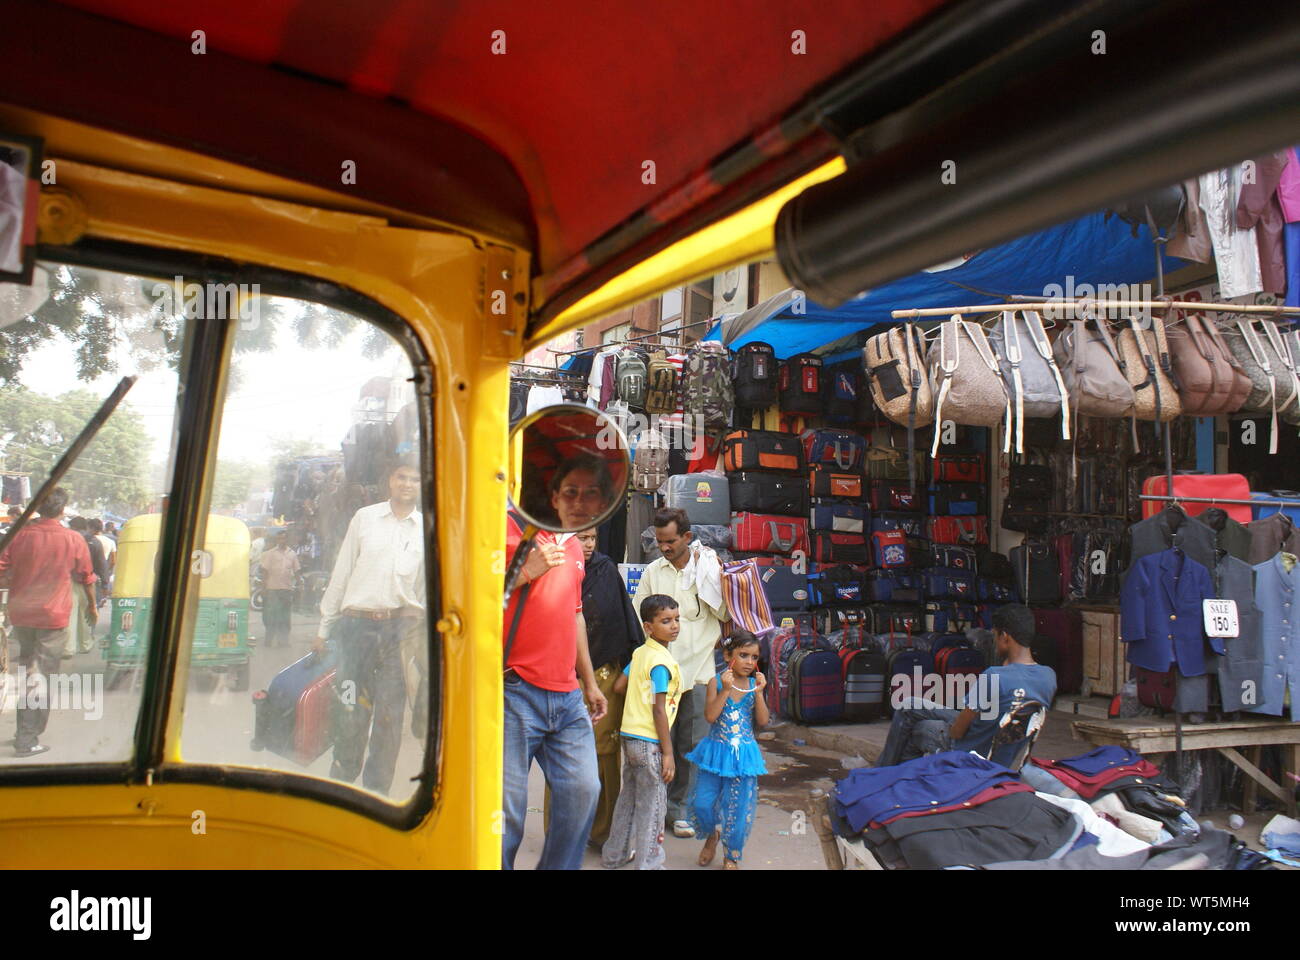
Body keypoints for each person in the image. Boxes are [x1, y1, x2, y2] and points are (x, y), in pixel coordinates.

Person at [501, 452, 612, 870]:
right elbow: (468, 606)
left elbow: (574, 615)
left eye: (590, 494)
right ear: (552, 496)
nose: (580, 502)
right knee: (507, 812)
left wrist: (589, 682)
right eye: (570, 492)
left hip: (566, 697)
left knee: (584, 792)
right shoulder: (508, 530)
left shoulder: (574, 544)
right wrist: (523, 572)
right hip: (515, 692)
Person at [315, 457, 425, 795]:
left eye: (414, 479)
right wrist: (324, 626)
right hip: (355, 630)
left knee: (390, 720)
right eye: (401, 477)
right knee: (349, 707)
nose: (407, 484)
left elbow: (427, 587)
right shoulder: (365, 518)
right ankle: (341, 788)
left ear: (422, 486)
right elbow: (343, 571)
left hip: (398, 634)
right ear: (390, 481)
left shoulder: (427, 528)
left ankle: (375, 796)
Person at [632, 507, 729, 838]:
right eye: (659, 541)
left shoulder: (707, 567)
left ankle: (682, 810)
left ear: (687, 537)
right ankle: (657, 808)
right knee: (660, 743)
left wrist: (714, 577)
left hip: (700, 668)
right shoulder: (653, 572)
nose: (664, 547)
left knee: (693, 743)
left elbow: (726, 611)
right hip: (663, 673)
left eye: (670, 541)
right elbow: (639, 619)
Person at [543, 526, 642, 847]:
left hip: (605, 677)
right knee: (559, 753)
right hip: (560, 675)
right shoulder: (551, 567)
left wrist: (627, 671)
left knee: (605, 754)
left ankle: (602, 834)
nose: (586, 544)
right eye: (579, 538)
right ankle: (561, 835)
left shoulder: (605, 570)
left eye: (592, 538)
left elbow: (623, 623)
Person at [875, 603, 1057, 767]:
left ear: (1005, 636)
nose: (994, 642)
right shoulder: (1048, 677)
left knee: (918, 727)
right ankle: (891, 775)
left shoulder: (994, 676)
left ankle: (883, 774)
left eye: (994, 635)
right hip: (997, 750)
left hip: (968, 751)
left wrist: (945, 724)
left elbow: (957, 732)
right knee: (909, 705)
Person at [0, 488, 97, 757]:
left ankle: (23, 731)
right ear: (62, 510)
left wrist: (16, 582)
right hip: (51, 617)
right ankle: (27, 740)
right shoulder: (72, 539)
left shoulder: (18, 536)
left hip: (21, 614)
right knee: (40, 676)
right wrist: (92, 605)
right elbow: (86, 576)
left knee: (28, 671)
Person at [601, 594, 682, 870]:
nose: (674, 626)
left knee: (629, 798)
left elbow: (619, 686)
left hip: (630, 736)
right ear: (648, 627)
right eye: (666, 621)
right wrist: (668, 752)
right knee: (654, 805)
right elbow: (659, 710)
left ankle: (615, 856)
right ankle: (649, 863)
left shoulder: (640, 654)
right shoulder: (661, 663)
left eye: (676, 619)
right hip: (651, 742)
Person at [688, 629, 769, 869]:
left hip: (743, 757)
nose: (749, 662)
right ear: (727, 655)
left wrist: (760, 693)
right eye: (743, 655)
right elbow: (711, 716)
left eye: (754, 657)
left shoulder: (754, 685)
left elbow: (763, 721)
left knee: (738, 807)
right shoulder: (716, 681)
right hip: (715, 753)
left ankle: (731, 855)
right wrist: (725, 689)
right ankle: (711, 836)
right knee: (702, 803)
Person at [66, 516, 107, 656]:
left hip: (70, 580)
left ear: (73, 527)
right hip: (89, 581)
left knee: (71, 615)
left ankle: (68, 647)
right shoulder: (95, 542)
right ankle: (85, 644)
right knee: (87, 613)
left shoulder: (68, 539)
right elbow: (102, 565)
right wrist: (105, 584)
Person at [259, 529, 300, 648]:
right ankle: (268, 641)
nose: (282, 540)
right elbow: (265, 572)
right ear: (277, 540)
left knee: (285, 617)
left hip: (286, 590)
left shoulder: (292, 554)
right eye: (280, 538)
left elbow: (297, 570)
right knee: (271, 617)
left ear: (287, 539)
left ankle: (283, 642)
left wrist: (300, 584)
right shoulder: (271, 554)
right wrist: (263, 588)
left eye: (284, 538)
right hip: (272, 590)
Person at [89, 519, 116, 604]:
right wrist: (107, 571)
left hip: (87, 571)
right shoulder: (110, 541)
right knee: (96, 599)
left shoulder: (89, 539)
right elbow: (113, 561)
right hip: (101, 572)